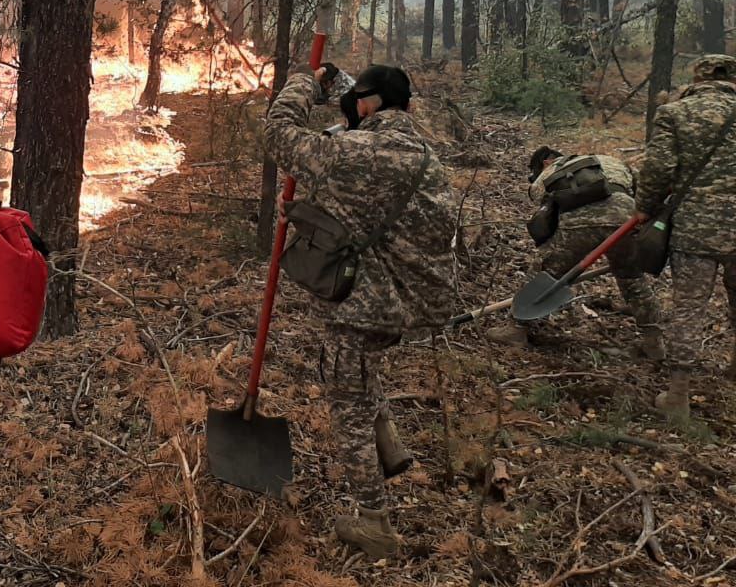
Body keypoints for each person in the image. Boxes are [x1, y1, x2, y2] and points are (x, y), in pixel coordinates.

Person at [265, 64, 456, 560]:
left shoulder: (356, 153)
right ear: (408, 108)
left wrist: (306, 83)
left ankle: (375, 524)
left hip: (367, 306)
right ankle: (390, 449)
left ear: (367, 105)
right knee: (359, 368)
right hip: (414, 302)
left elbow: (277, 132)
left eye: (358, 103)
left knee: (346, 403)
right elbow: (365, 218)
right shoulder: (425, 157)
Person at [485, 148, 663, 358]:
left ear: (545, 162)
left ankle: (517, 328)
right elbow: (645, 189)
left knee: (544, 270)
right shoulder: (611, 160)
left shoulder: (549, 171)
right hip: (626, 220)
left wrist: (552, 249)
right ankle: (653, 341)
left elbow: (545, 213)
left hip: (578, 225)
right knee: (632, 279)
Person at [636, 54, 736, 419]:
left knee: (689, 308)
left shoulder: (675, 114)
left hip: (696, 229)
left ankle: (678, 397)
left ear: (696, 79)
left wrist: (644, 208)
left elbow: (658, 167)